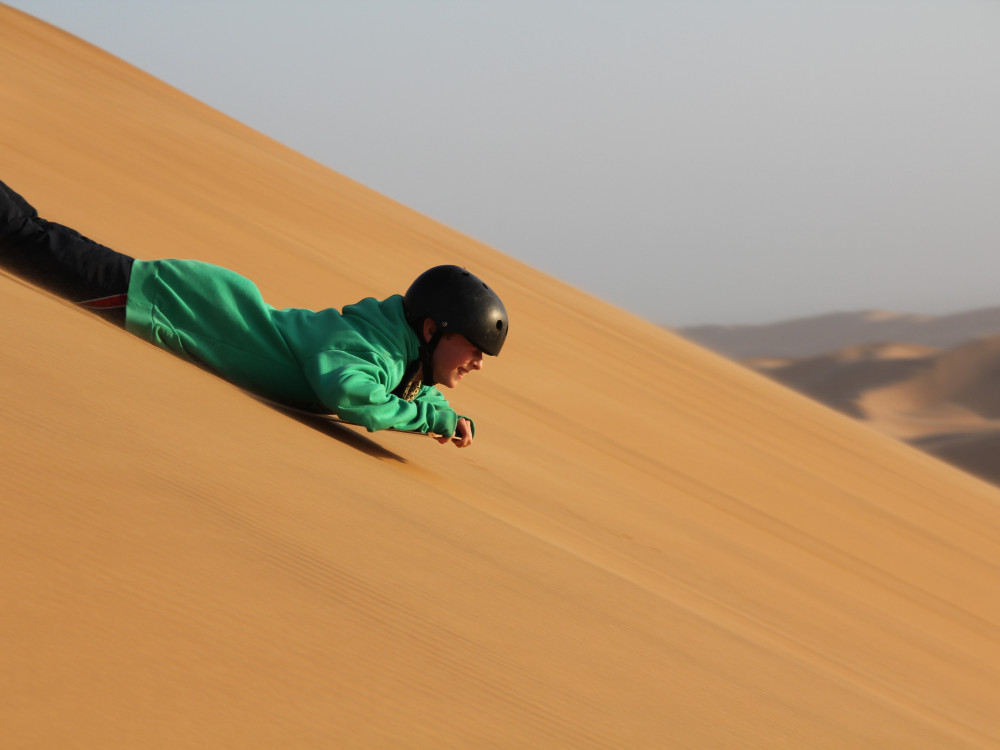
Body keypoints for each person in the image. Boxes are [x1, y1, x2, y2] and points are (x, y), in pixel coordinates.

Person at [0, 179, 508, 447]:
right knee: (27, 239)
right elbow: (355, 398)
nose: (480, 362)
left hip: (179, 304)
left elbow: (405, 393)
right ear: (429, 329)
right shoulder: (365, 346)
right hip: (169, 306)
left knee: (30, 236)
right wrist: (426, 419)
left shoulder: (401, 359)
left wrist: (442, 415)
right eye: (475, 347)